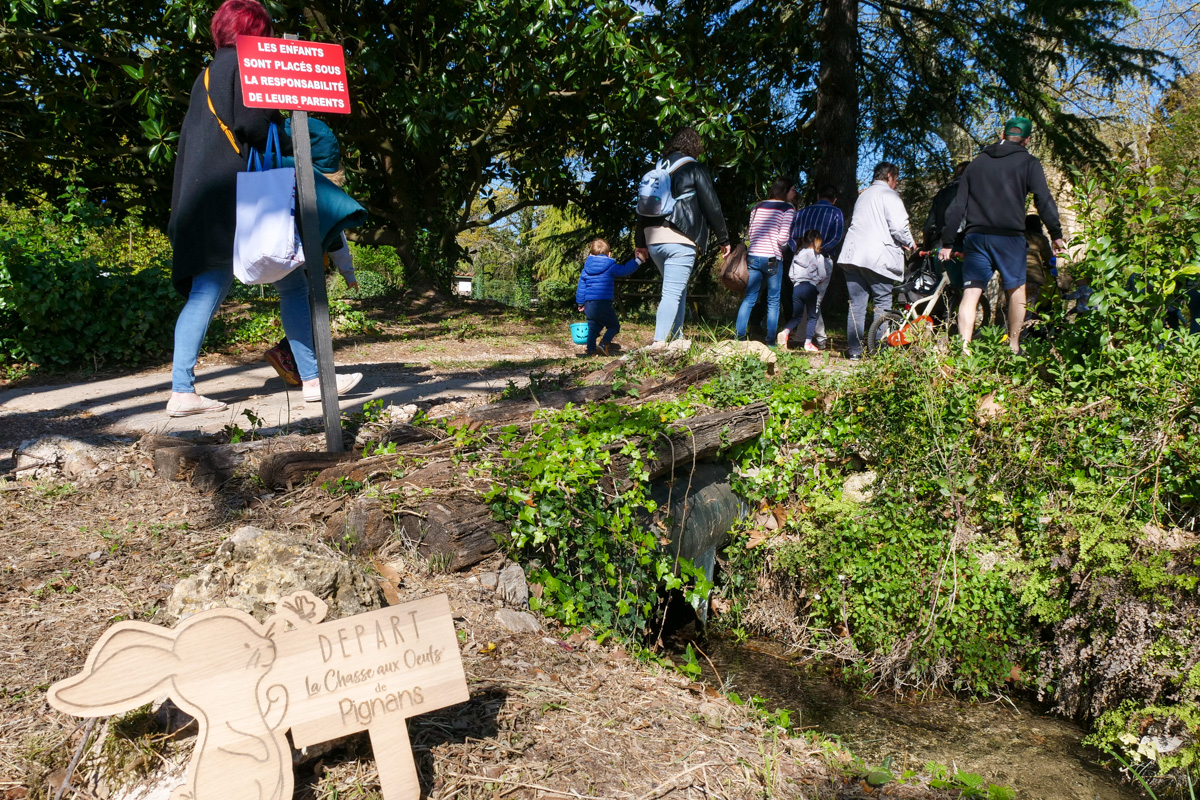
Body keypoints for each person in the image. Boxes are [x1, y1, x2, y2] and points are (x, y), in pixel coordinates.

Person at [166, 0, 363, 416]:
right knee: (293, 283)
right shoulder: (245, 66)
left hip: (203, 200)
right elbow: (255, 128)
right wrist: (290, 128)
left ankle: (182, 391)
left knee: (206, 292)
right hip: (240, 195)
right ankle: (313, 381)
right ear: (257, 31)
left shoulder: (206, 74)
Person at [940, 116, 1065, 354]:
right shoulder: (1029, 163)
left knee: (971, 293)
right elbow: (1043, 200)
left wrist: (947, 242)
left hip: (976, 237)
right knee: (1017, 291)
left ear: (1002, 134)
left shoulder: (976, 164)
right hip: (1010, 238)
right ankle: (1014, 347)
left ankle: (963, 350)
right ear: (1027, 140)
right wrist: (1056, 233)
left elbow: (957, 207)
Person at [634, 127, 730, 346]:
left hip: (653, 239)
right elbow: (712, 205)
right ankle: (658, 345)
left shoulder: (657, 169)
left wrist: (640, 243)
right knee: (671, 293)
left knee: (678, 289)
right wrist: (724, 239)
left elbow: (641, 208)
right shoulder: (694, 168)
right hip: (681, 238)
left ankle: (677, 339)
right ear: (694, 146)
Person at [837, 162, 915, 359]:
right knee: (882, 303)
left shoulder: (863, 196)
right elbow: (898, 227)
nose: (896, 183)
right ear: (889, 176)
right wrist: (911, 244)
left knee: (856, 305)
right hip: (877, 257)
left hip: (852, 255)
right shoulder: (890, 196)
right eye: (895, 179)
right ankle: (879, 351)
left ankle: (855, 352)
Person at [735, 177, 794, 344]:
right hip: (772, 258)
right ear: (785, 191)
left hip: (754, 256)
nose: (794, 194)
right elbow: (782, 239)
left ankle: (739, 337)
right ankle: (770, 341)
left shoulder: (758, 206)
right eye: (793, 190)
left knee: (750, 297)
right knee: (773, 300)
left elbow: (751, 233)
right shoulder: (787, 208)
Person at [788, 185, 845, 349]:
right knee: (814, 301)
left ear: (819, 195)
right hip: (822, 259)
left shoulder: (801, 213)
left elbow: (791, 237)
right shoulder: (836, 213)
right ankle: (815, 338)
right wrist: (818, 251)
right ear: (834, 199)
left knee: (808, 300)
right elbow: (836, 237)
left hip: (799, 260)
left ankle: (807, 337)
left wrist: (799, 250)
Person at [575, 238, 643, 355]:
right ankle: (603, 343)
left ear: (590, 255)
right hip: (603, 303)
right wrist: (638, 261)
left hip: (589, 304)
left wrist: (580, 303)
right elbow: (625, 270)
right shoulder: (611, 267)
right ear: (609, 254)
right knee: (614, 326)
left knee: (593, 328)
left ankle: (590, 351)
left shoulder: (585, 270)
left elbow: (581, 288)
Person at [923, 162, 970, 288]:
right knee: (966, 293)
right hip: (960, 249)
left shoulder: (941, 194)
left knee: (944, 294)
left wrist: (927, 246)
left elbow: (929, 225)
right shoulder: (972, 193)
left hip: (938, 248)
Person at [779, 230, 827, 352]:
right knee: (811, 317)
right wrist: (816, 281)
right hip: (810, 288)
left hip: (797, 288)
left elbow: (790, 274)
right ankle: (808, 343)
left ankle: (785, 332)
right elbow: (822, 275)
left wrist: (796, 282)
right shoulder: (818, 257)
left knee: (797, 317)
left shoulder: (796, 255)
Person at [1024, 214, 1054, 317]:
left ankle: (1006, 331)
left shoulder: (1017, 236)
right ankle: (1024, 332)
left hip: (1012, 275)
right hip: (1033, 277)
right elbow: (1049, 260)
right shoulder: (1040, 238)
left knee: (1010, 306)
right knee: (1029, 308)